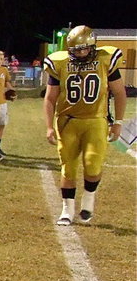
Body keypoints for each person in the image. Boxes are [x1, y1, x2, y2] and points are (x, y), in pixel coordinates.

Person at [43, 25, 126, 225]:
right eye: (76, 50)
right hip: (67, 121)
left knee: (93, 165)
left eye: (84, 49)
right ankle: (67, 210)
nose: (81, 53)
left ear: (93, 46)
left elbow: (119, 93)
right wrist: (49, 126)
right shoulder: (60, 63)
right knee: (68, 168)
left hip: (96, 120)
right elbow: (50, 98)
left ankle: (89, 199)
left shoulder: (105, 60)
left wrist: (118, 122)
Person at [0, 50, 15, 155]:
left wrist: (12, 92)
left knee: (2, 124)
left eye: (1, 59)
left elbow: (7, 82)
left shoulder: (4, 70)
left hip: (2, 101)